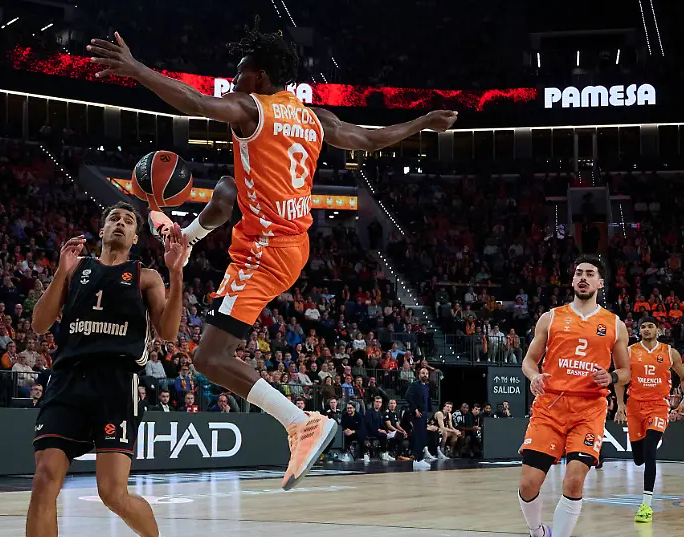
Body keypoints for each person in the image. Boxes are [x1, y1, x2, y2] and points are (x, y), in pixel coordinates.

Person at [88, 21, 457, 491]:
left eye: (240, 73)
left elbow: (195, 102)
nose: (235, 81)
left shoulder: (251, 108)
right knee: (227, 188)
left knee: (209, 358)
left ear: (258, 77)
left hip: (266, 250)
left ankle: (300, 422)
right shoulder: (314, 117)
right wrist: (424, 122)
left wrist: (137, 70)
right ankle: (192, 235)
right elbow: (371, 139)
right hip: (293, 242)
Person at [25, 202, 187, 537]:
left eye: (128, 221)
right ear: (102, 231)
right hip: (68, 379)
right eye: (114, 218)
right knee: (45, 477)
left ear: (134, 237)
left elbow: (169, 332)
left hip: (116, 383)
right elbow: (39, 324)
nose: (120, 223)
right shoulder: (75, 269)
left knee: (112, 493)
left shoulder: (146, 277)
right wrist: (60, 274)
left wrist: (176, 274)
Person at [519, 256, 630, 537]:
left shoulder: (614, 324)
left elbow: (625, 371)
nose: (583, 277)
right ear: (572, 281)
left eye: (590, 274)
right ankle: (538, 534)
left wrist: (609, 377)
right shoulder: (551, 318)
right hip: (550, 408)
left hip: (589, 410)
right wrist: (534, 377)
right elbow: (529, 361)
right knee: (529, 483)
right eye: (578, 273)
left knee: (575, 478)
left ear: (600, 283)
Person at [614, 317, 684, 524]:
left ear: (658, 330)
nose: (646, 329)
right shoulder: (630, 351)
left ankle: (646, 505)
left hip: (658, 406)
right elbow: (620, 379)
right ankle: (645, 488)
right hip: (634, 407)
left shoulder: (669, 352)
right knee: (639, 458)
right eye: (642, 326)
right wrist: (620, 405)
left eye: (650, 326)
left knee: (650, 451)